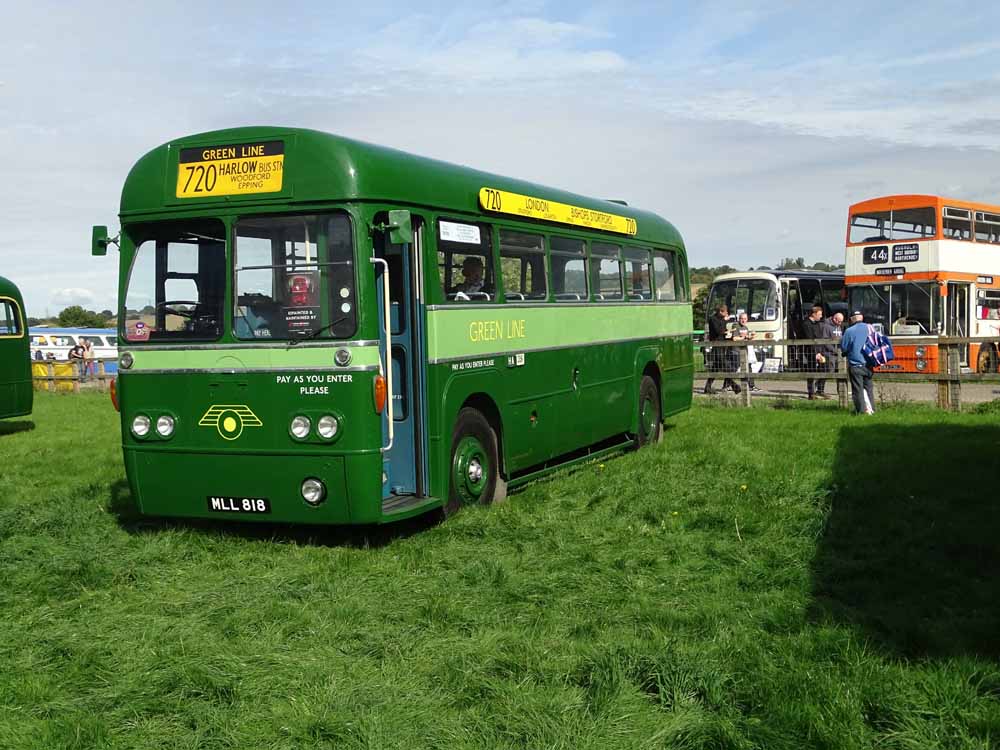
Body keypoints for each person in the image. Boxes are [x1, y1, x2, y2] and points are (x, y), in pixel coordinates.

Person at [840, 311, 875, 415]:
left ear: (851, 319)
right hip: (869, 363)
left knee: (858, 390)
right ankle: (872, 409)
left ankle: (862, 411)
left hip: (856, 364)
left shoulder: (849, 331)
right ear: (862, 317)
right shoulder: (870, 328)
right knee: (868, 388)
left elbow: (844, 347)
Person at [703, 304, 740, 394]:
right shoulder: (713, 319)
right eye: (725, 311)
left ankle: (707, 387)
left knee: (716, 367)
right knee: (723, 364)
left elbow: (723, 330)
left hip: (722, 344)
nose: (727, 313)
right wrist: (724, 321)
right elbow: (718, 331)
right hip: (716, 344)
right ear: (720, 311)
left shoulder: (721, 320)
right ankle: (734, 385)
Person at [802, 305, 828, 399]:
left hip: (819, 351)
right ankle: (811, 393)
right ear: (813, 314)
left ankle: (820, 390)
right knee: (811, 371)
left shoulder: (817, 324)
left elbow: (819, 338)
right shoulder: (806, 324)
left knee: (825, 369)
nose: (821, 316)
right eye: (819, 314)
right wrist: (815, 353)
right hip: (810, 351)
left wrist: (820, 352)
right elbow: (810, 339)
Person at [733, 312, 760, 391]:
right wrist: (744, 337)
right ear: (739, 319)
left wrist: (751, 336)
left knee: (749, 367)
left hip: (745, 351)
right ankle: (726, 385)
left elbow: (746, 338)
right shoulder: (736, 326)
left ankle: (751, 385)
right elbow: (734, 338)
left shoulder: (746, 328)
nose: (743, 320)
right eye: (742, 319)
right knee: (733, 369)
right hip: (736, 351)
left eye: (745, 319)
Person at [820, 312, 844, 385]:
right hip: (829, 353)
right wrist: (834, 350)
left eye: (841, 322)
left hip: (839, 353)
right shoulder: (826, 326)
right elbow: (825, 340)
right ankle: (819, 387)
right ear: (834, 319)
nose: (840, 323)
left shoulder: (838, 326)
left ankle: (840, 390)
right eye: (839, 321)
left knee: (840, 371)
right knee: (829, 371)